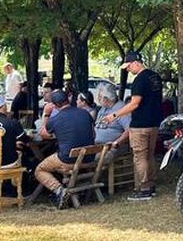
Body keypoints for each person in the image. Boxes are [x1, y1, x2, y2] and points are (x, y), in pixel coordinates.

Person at [101, 51, 162, 201]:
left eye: (128, 66)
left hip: (140, 124)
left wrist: (114, 115)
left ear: (136, 62)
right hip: (154, 123)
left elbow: (135, 103)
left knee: (140, 157)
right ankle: (151, 185)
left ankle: (144, 189)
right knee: (150, 155)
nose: (128, 70)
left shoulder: (139, 80)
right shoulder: (155, 77)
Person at [35, 90, 95, 208]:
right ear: (68, 99)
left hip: (68, 160)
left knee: (39, 170)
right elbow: (93, 134)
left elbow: (43, 134)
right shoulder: (85, 113)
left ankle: (59, 190)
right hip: (89, 158)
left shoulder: (55, 119)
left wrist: (46, 114)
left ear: (55, 105)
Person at [0, 95, 27, 168]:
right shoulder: (12, 122)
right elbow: (24, 140)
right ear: (3, 107)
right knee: (23, 152)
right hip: (8, 163)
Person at [94, 83, 130, 160]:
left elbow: (130, 130)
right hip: (96, 145)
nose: (98, 99)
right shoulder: (103, 108)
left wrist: (116, 143)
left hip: (112, 148)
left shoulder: (121, 109)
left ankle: (96, 171)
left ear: (106, 99)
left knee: (96, 158)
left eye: (99, 97)